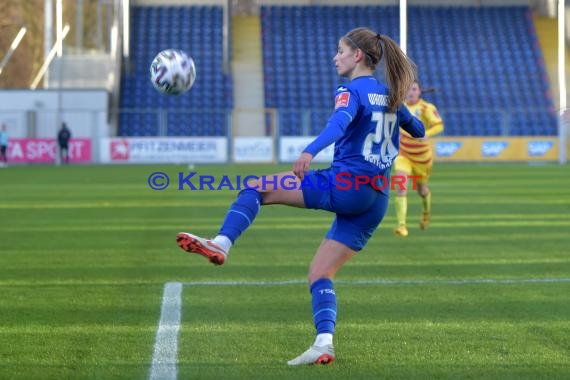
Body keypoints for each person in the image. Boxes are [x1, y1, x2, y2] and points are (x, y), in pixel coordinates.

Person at [176, 27, 425, 365]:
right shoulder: (389, 93)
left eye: (340, 50)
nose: (335, 56)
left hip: (345, 187)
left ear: (357, 56)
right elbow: (419, 131)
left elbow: (338, 125)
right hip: (376, 200)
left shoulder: (350, 91)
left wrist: (309, 151)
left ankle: (222, 242)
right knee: (319, 273)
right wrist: (398, 110)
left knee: (255, 188)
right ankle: (324, 343)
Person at [393, 80, 444, 237]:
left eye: (414, 89)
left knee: (422, 190)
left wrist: (425, 134)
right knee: (401, 186)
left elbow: (439, 125)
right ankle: (401, 225)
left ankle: (426, 213)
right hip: (403, 154)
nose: (411, 92)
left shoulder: (426, 108)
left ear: (420, 91)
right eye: (408, 89)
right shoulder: (399, 106)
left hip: (422, 158)